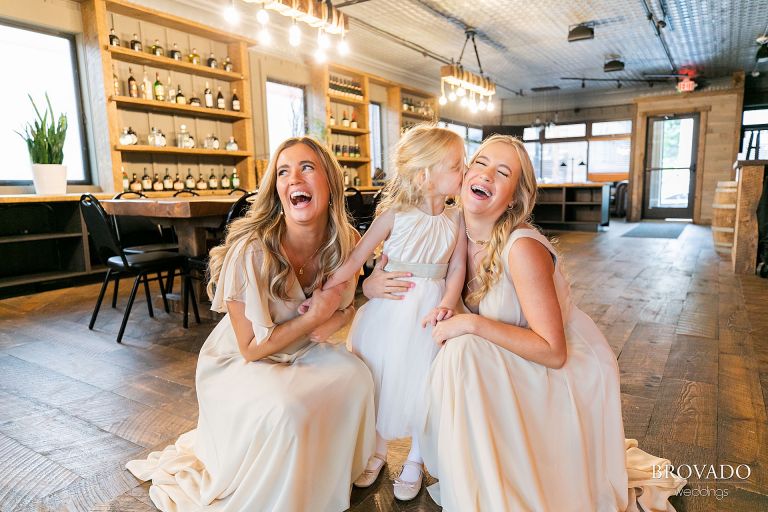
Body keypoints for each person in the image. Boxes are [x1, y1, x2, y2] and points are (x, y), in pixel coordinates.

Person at [363, 134, 686, 511]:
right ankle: (445, 458)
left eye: (503, 172)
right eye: (480, 163)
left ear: (514, 197)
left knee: (460, 347)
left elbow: (553, 352)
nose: (486, 174)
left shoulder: (522, 247)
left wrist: (472, 325)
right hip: (506, 360)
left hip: (559, 372)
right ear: (464, 173)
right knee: (437, 342)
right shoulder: (453, 229)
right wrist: (370, 284)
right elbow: (396, 264)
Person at [126, 137, 376, 512]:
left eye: (307, 167)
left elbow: (346, 306)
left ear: (330, 181)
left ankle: (329, 473)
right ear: (276, 189)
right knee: (287, 408)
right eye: (283, 171)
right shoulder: (252, 249)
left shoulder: (346, 240)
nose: (294, 178)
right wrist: (314, 317)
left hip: (301, 349)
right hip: (240, 361)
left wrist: (337, 316)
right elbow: (250, 348)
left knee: (358, 376)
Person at [301, 124, 467, 501]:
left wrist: (447, 303)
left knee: (426, 383)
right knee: (384, 380)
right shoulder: (396, 213)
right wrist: (324, 291)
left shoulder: (456, 219)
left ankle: (416, 458)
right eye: (457, 165)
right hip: (391, 312)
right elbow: (358, 258)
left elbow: (457, 267)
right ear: (426, 174)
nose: (465, 171)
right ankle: (376, 451)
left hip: (431, 312)